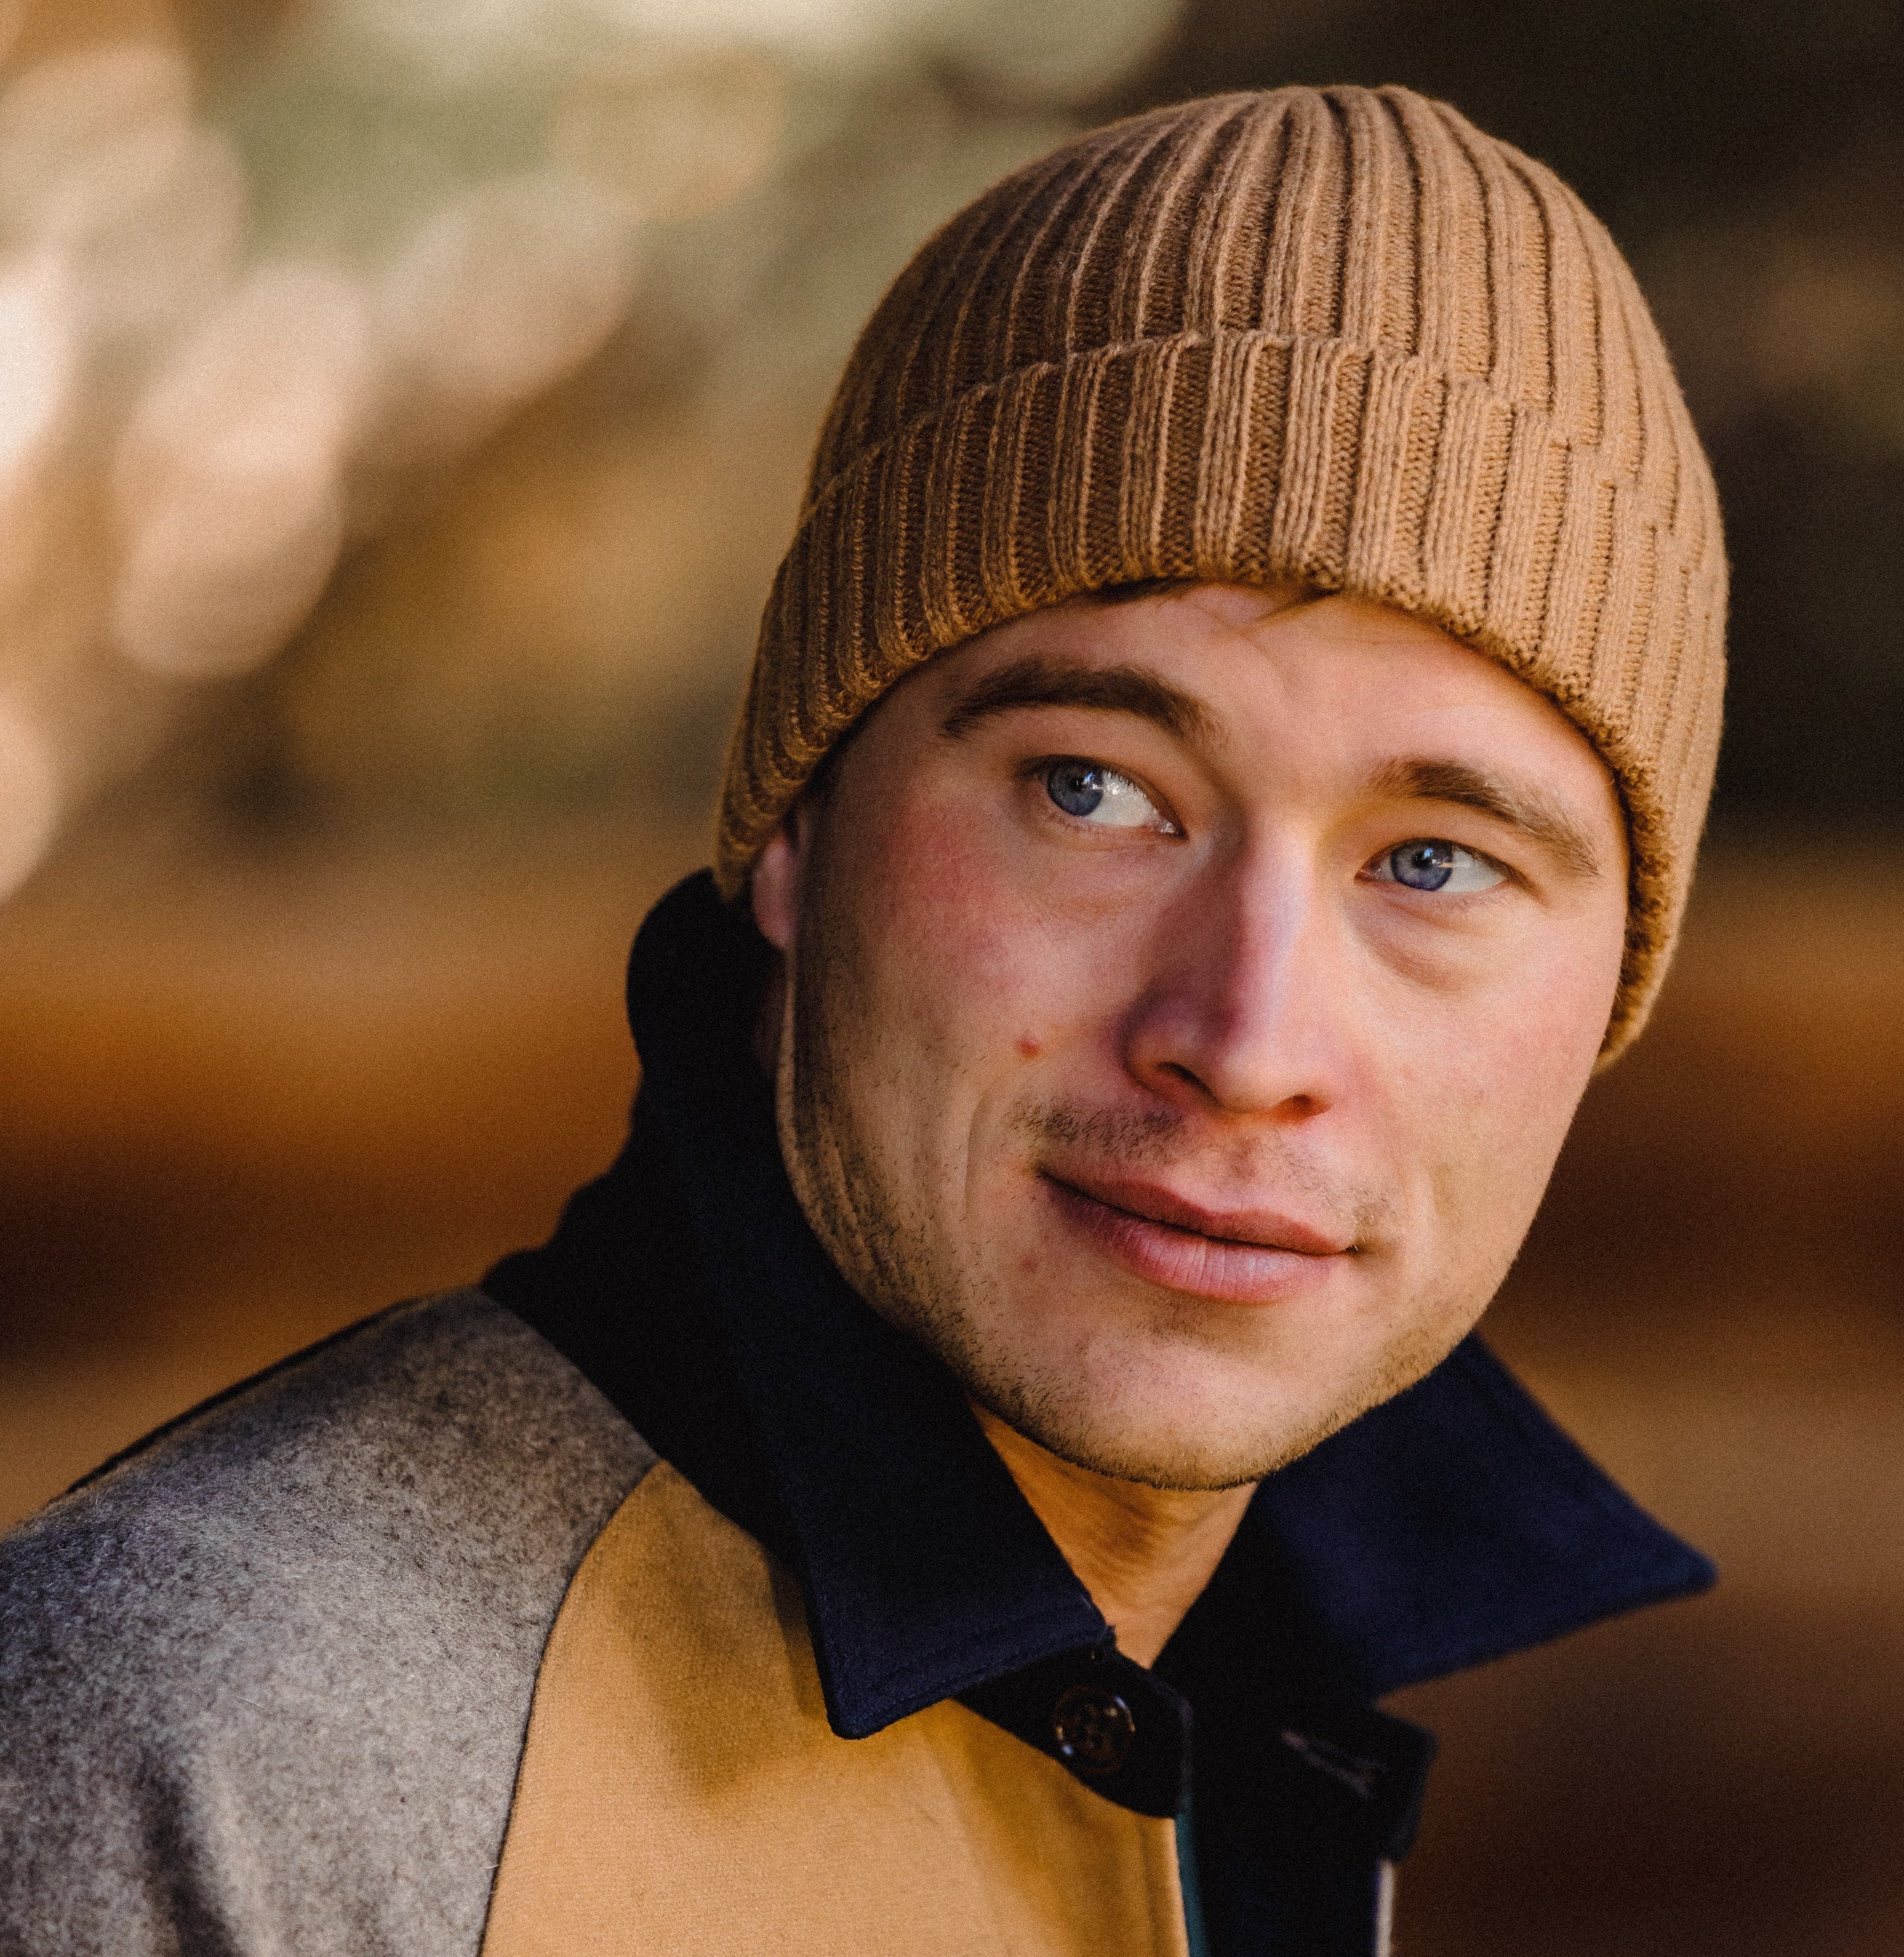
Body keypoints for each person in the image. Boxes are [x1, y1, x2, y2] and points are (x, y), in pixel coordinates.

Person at [0, 84, 1725, 1957]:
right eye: (1095, 790)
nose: (1245, 1039)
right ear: (796, 834)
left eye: (1440, 865)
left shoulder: (1261, 1717)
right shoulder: (229, 1755)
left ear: (1611, 991)